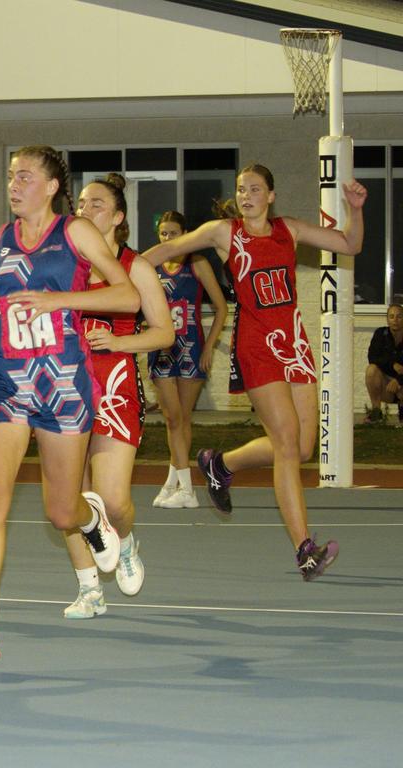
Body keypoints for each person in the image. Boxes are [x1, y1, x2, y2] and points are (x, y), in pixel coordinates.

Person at [0, 145, 139, 662]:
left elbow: (126, 296)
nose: (14, 184)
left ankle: (91, 521)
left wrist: (60, 300)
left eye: (25, 176)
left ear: (52, 186)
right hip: (4, 379)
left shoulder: (77, 233)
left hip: (62, 382)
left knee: (60, 509)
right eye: (11, 176)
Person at [141, 163, 367, 581]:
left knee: (302, 448)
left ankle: (220, 464)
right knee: (285, 446)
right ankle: (304, 550)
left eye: (255, 189)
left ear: (271, 195)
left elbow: (350, 244)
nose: (246, 196)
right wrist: (125, 272)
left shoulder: (290, 230)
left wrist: (355, 208)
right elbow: (166, 252)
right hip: (257, 346)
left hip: (295, 342)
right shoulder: (225, 233)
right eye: (241, 190)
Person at [60, 174, 174, 619]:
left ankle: (125, 543)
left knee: (110, 499)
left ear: (119, 217)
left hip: (114, 387)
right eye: (83, 203)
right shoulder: (65, 264)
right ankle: (89, 588)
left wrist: (119, 343)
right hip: (67, 385)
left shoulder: (135, 266)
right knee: (68, 496)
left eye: (98, 204)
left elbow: (166, 332)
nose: (87, 210)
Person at [147, 211, 228, 508]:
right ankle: (179, 483)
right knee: (172, 417)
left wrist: (209, 346)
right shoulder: (152, 264)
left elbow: (221, 307)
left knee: (182, 418)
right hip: (162, 348)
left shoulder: (197, 263)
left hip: (191, 346)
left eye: (174, 233)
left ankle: (183, 487)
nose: (169, 239)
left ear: (186, 233)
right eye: (164, 234)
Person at [364, 303, 403, 423]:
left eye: (399, 316)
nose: (395, 320)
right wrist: (392, 364)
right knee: (371, 370)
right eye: (391, 317)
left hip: (401, 383)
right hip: (387, 386)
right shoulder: (381, 334)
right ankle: (376, 413)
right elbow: (373, 357)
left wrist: (399, 380)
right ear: (387, 320)